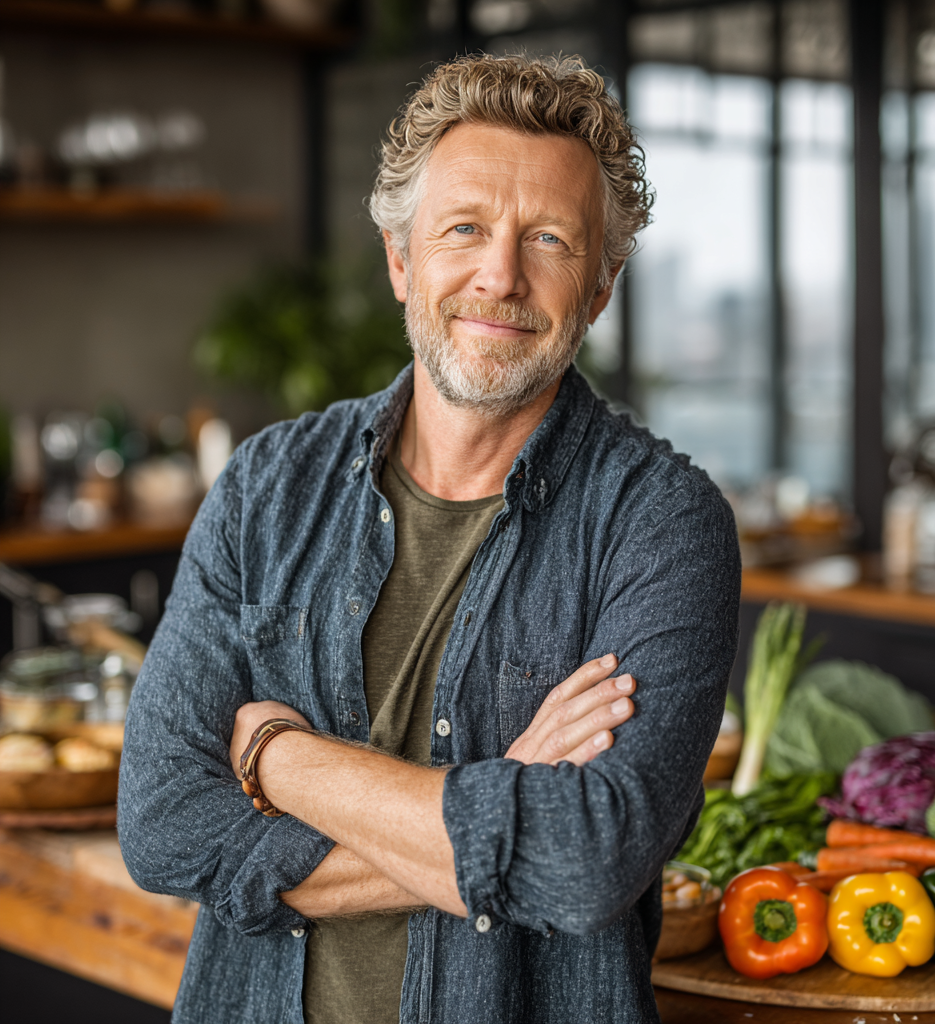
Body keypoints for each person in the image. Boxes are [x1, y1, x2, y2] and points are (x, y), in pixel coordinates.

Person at [119, 53, 741, 1024]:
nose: (500, 274)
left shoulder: (662, 522)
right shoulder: (267, 486)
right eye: (464, 229)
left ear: (603, 286)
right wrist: (502, 803)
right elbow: (161, 827)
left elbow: (583, 866)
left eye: (549, 238)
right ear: (401, 259)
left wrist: (277, 757)